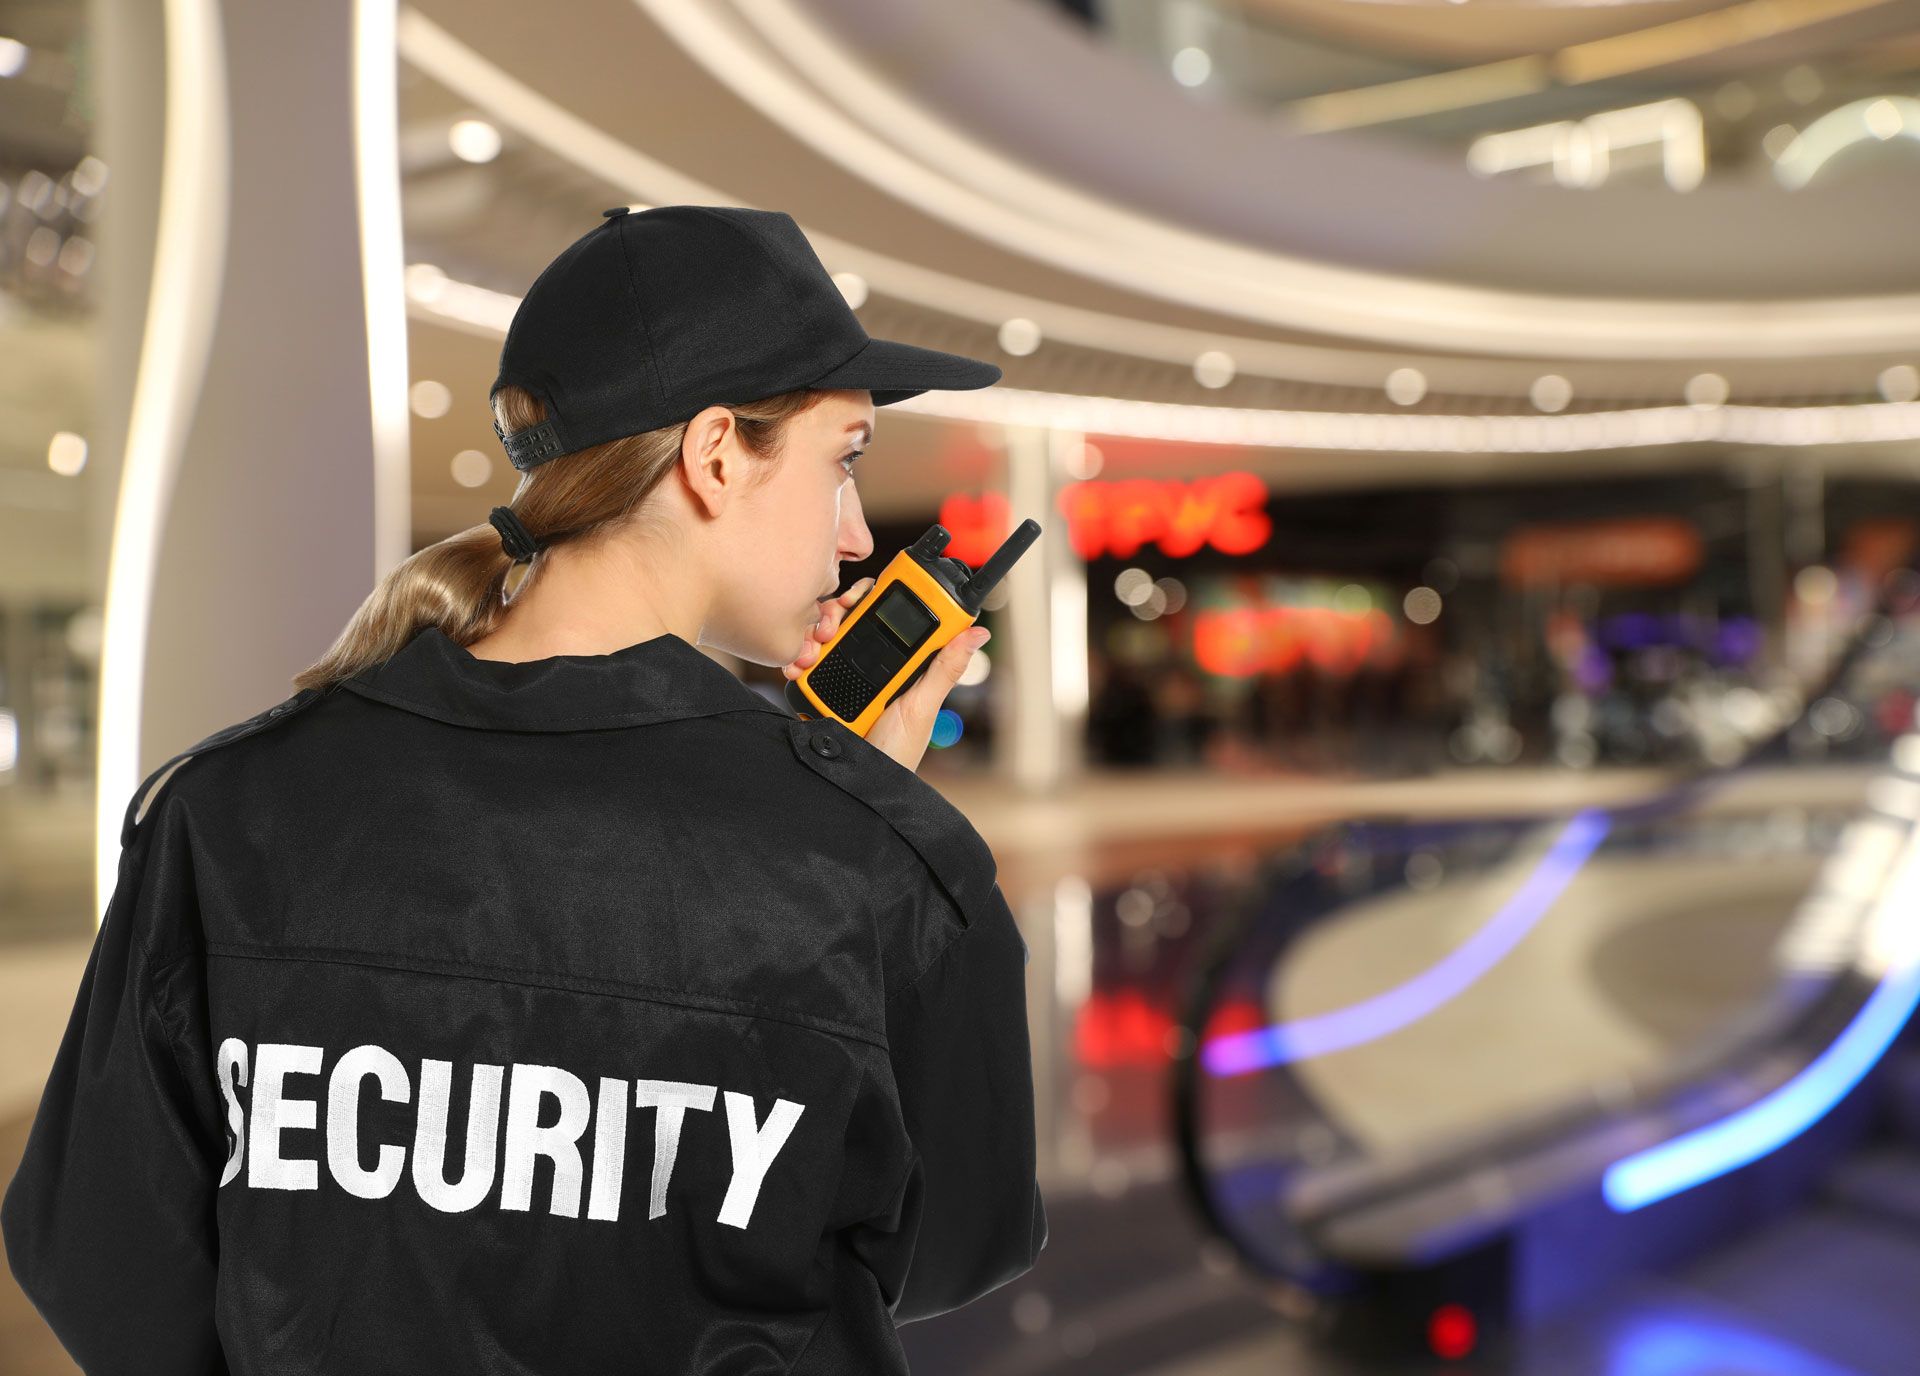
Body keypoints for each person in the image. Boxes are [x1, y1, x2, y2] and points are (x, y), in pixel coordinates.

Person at [2, 204, 1047, 1374]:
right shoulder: (880, 863)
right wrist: (861, 809)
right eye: (843, 457)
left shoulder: (219, 809)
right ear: (713, 455)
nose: (856, 533)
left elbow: (98, 1263)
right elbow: (954, 1247)